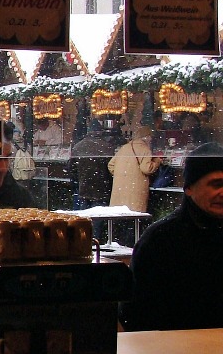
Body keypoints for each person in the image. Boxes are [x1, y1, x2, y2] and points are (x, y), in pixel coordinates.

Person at [121, 142, 223, 331]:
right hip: (176, 346)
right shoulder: (160, 240)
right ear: (189, 188)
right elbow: (137, 313)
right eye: (216, 184)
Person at [69, 120, 121, 237]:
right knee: (97, 219)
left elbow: (71, 168)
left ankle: (83, 238)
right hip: (102, 188)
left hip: (84, 188)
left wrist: (78, 181)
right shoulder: (107, 147)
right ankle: (95, 239)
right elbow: (112, 167)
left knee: (83, 218)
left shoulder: (78, 146)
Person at [108, 125, 160, 213]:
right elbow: (147, 169)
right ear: (147, 137)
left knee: (119, 213)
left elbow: (111, 165)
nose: (151, 139)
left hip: (120, 188)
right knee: (134, 214)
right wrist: (157, 161)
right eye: (150, 136)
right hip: (136, 188)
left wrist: (122, 175)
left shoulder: (124, 148)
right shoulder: (145, 149)